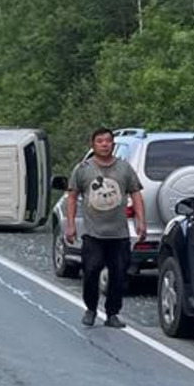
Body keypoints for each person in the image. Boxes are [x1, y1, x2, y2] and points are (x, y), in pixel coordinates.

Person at [63, 128, 145, 329]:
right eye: (100, 141)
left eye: (108, 141)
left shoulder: (124, 168)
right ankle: (91, 308)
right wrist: (70, 225)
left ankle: (112, 313)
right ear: (93, 145)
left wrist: (140, 221)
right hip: (93, 233)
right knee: (91, 271)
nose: (104, 144)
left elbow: (135, 193)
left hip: (119, 233)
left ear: (113, 144)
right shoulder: (83, 169)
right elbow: (72, 196)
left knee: (118, 274)